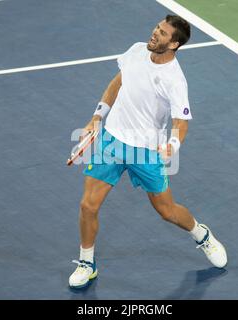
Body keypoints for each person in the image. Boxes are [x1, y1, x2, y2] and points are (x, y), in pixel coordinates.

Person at [69, 15, 227, 289]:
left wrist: (172, 146)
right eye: (157, 28)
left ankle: (201, 234)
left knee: (167, 211)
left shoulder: (175, 81)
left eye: (162, 33)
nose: (154, 34)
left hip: (146, 152)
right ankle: (87, 263)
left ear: (174, 43)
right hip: (111, 140)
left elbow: (181, 123)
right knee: (87, 205)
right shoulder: (136, 50)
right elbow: (118, 81)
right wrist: (98, 115)